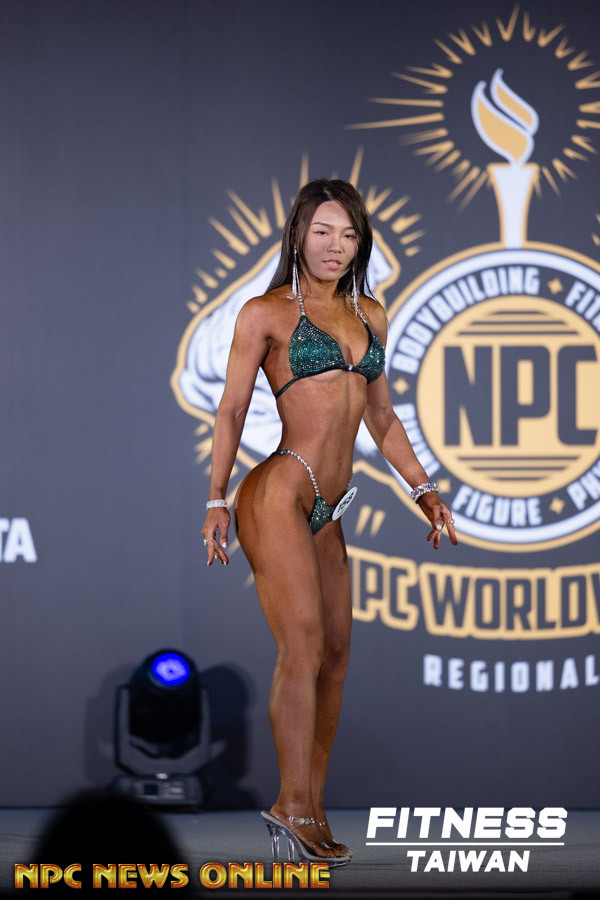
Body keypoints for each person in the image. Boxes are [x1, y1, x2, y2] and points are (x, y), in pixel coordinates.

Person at [201, 179, 458, 865]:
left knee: (337, 657)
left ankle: (309, 808)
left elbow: (382, 416)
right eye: (322, 232)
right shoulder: (266, 313)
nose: (335, 246)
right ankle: (290, 805)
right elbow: (231, 409)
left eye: (348, 234)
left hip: (329, 506)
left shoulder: (370, 313)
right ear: (297, 235)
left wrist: (424, 488)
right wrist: (216, 497)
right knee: (304, 647)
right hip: (278, 493)